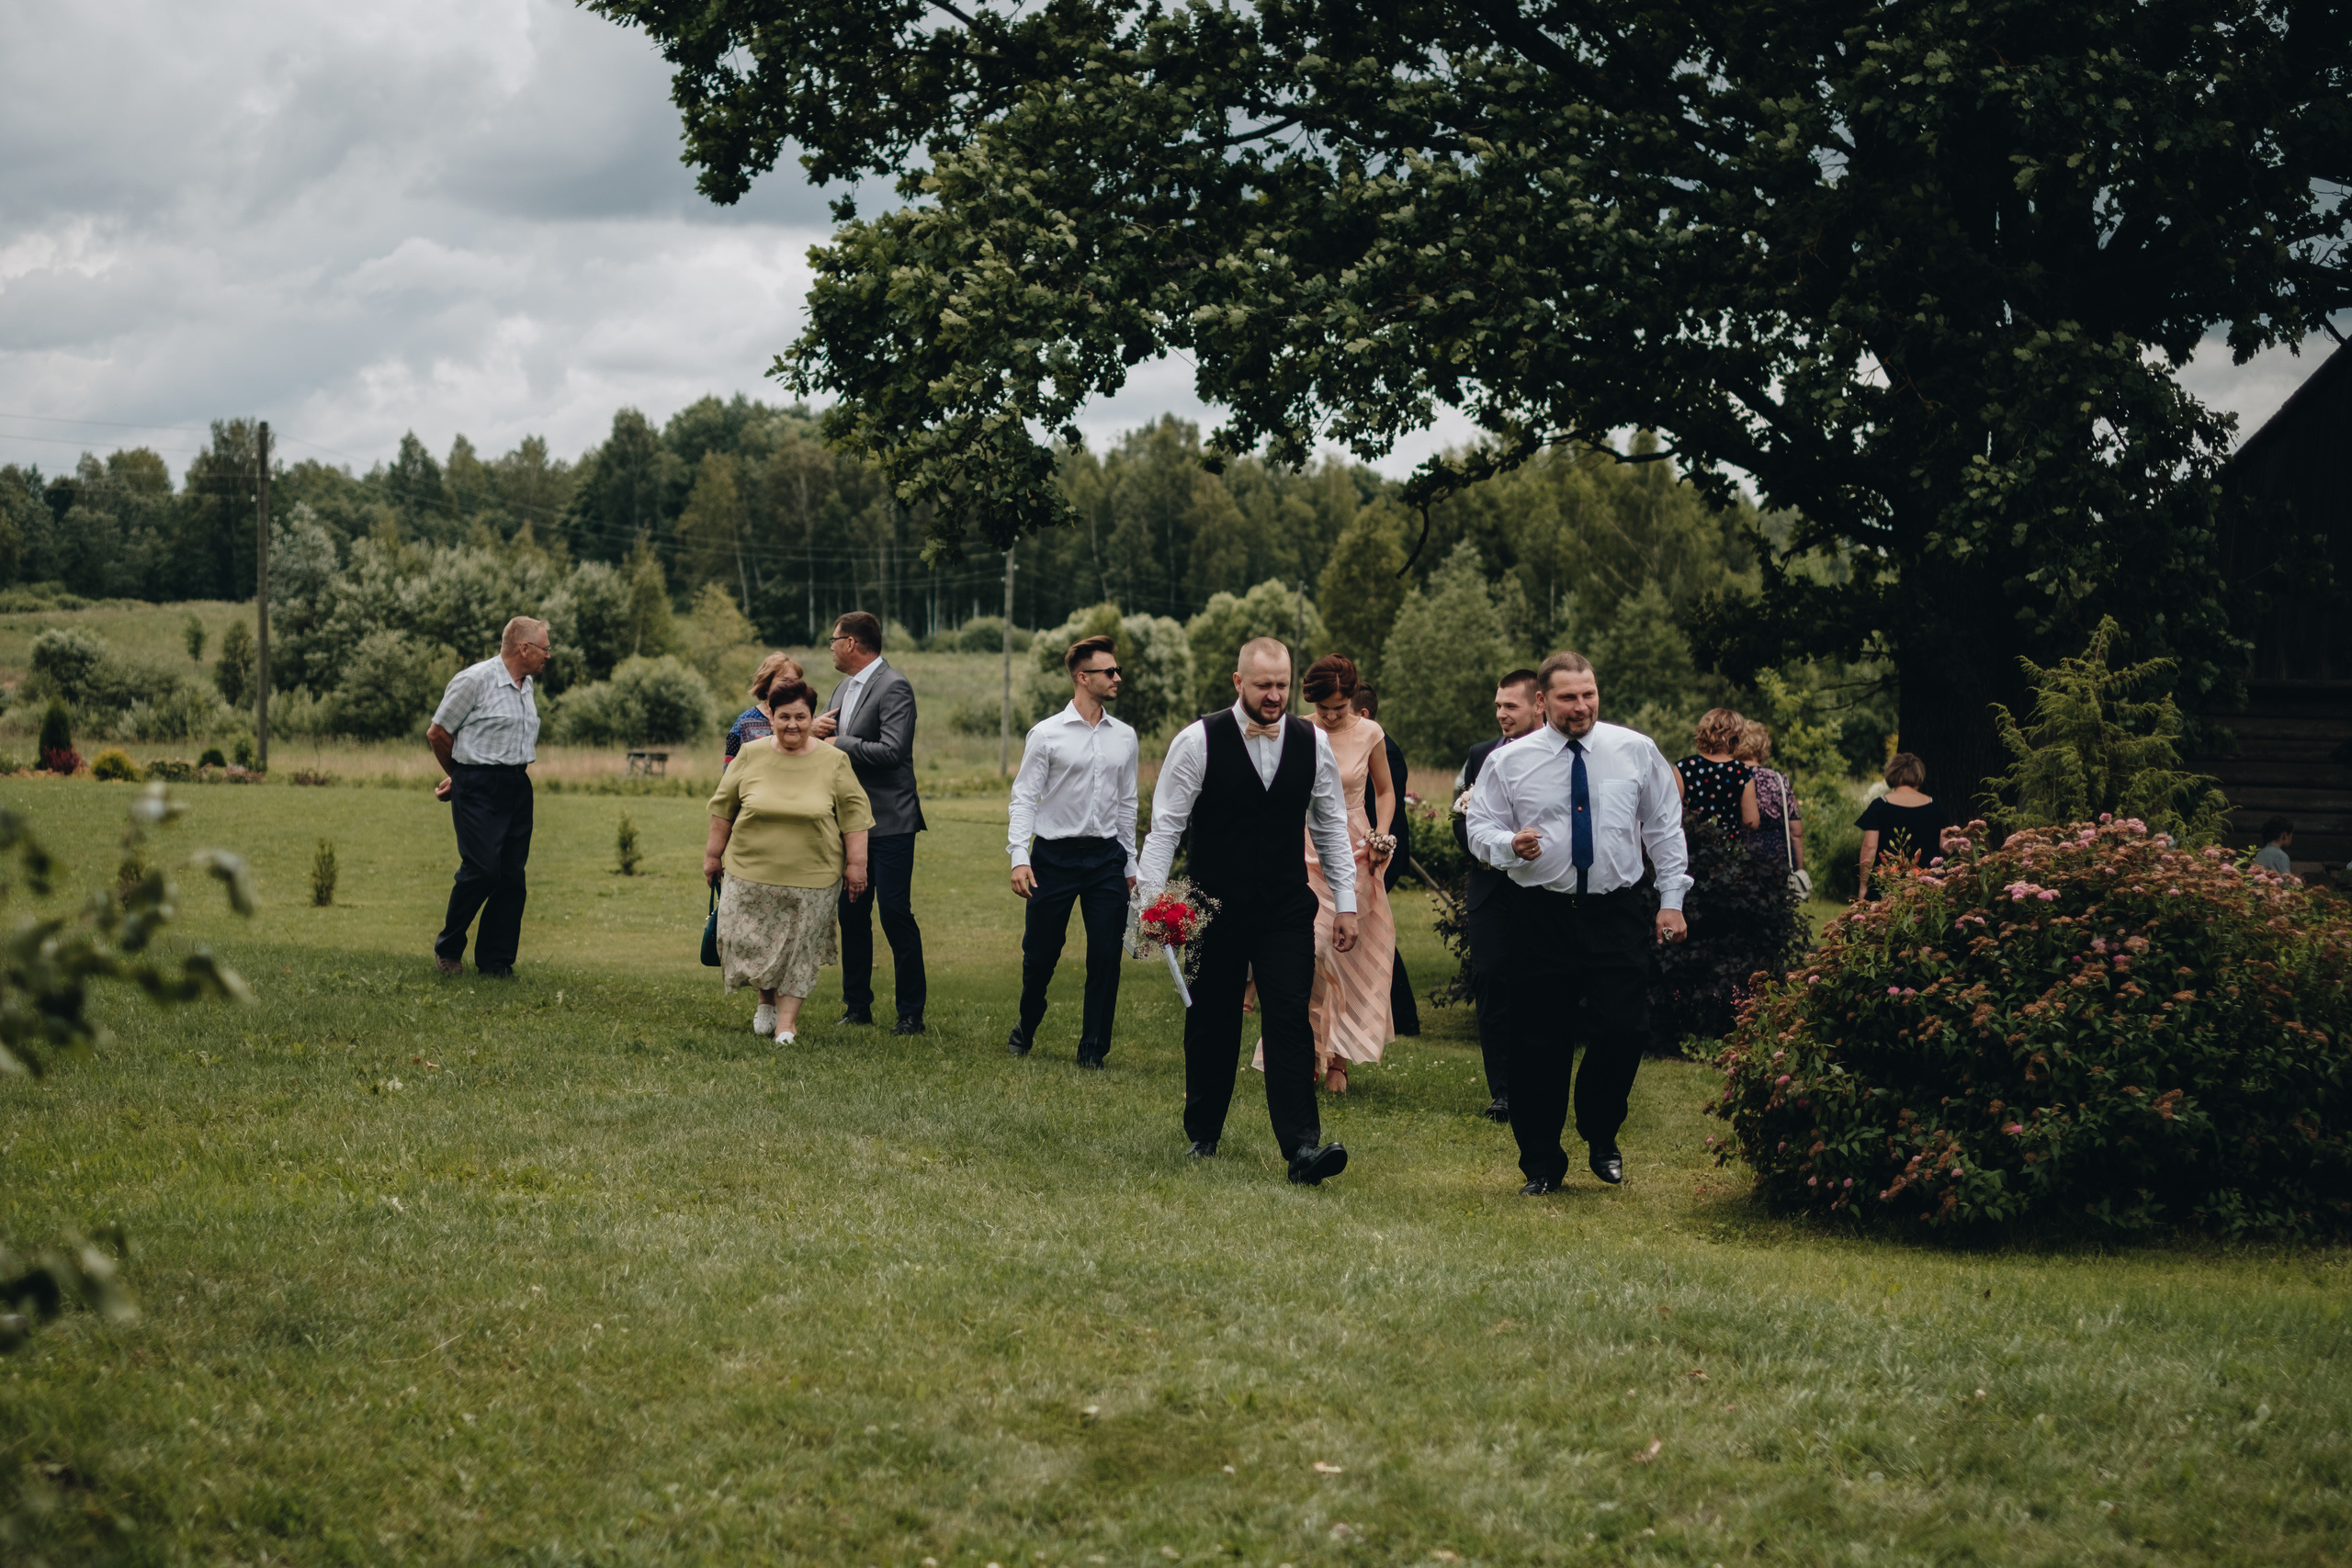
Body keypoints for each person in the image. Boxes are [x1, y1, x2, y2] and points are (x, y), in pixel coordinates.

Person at [1465, 650, 1690, 1192]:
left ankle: (1600, 1129)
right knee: (1538, 1042)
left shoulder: (1634, 751)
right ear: (1542, 701)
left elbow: (1664, 827)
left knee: (1624, 1028)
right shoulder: (1509, 762)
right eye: (1568, 697)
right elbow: (1479, 827)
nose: (1581, 706)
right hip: (1540, 914)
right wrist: (1508, 844)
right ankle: (1541, 1164)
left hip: (1615, 912)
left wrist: (1672, 898)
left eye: (1588, 694)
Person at [1139, 637, 1359, 1184]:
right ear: (1238, 682)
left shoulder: (1313, 742)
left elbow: (1330, 824)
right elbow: (1166, 825)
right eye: (1264, 685)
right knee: (1212, 1020)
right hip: (1213, 907)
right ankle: (1203, 1134)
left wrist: (1347, 903)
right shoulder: (1198, 740)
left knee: (1289, 1017)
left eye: (1282, 684)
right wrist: (1150, 903)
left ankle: (1302, 1149)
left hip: (1285, 906)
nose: (1275, 695)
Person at [1251, 654, 1396, 1093]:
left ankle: (1338, 1058)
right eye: (1325, 708)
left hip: (1352, 848)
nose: (1332, 716)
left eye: (1341, 706)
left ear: (1354, 698)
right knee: (1306, 954)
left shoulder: (1370, 732)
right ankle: (1303, 1051)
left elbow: (1385, 791)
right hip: (1300, 846)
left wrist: (1380, 835)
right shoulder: (1295, 730)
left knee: (1343, 956)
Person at [703, 680, 874, 1042]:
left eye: (801, 716)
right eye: (784, 717)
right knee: (753, 943)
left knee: (800, 949)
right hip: (749, 873)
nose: (792, 724)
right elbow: (723, 808)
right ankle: (766, 1000)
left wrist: (857, 865)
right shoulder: (751, 753)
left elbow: (855, 818)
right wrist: (712, 855)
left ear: (812, 718)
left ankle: (786, 1023)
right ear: (772, 717)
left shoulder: (834, 760)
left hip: (813, 878)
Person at [1006, 634, 1140, 1067]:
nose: (1117, 677)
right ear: (1083, 678)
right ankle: (1027, 1023)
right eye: (1109, 671)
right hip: (1054, 858)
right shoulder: (1046, 735)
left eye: (1116, 670)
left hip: (1106, 859)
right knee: (1040, 956)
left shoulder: (1125, 736)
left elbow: (1127, 803)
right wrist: (1019, 857)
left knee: (1105, 955)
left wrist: (1130, 862)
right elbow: (1024, 797)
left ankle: (1093, 1048)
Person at [811, 612, 928, 1032]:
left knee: (896, 913)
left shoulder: (894, 685)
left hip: (891, 821)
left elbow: (893, 750)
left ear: (852, 643)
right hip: (849, 822)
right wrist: (817, 732)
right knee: (852, 914)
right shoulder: (842, 687)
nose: (830, 647)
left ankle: (911, 1013)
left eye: (833, 639)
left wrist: (837, 742)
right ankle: (857, 1006)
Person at [427, 615, 551, 978]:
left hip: (517, 785)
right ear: (523, 648)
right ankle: (448, 949)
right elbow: (438, 733)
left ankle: (496, 961)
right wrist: (461, 777)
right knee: (482, 869)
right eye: (545, 648)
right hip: (478, 786)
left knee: (512, 876)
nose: (549, 655)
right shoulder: (475, 680)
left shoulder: (526, 685)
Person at [1451, 668, 1544, 1122]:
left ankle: (1537, 1084)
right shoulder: (1480, 754)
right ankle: (1503, 1090)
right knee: (1489, 980)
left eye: (1511, 706)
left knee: (1538, 985)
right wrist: (1484, 840)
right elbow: (1459, 823)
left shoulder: (1561, 754)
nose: (1501, 714)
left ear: (1538, 705)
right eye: (1498, 705)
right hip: (1491, 887)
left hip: (1544, 889)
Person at [1351, 682, 1418, 1038]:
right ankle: (1401, 1015)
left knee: (1373, 928)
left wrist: (1377, 842)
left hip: (1381, 852)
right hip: (1363, 848)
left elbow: (1380, 801)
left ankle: (1404, 1015)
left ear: (1363, 715)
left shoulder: (1384, 749)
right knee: (1366, 928)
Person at [1856, 751, 1948, 892]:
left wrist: (1863, 885)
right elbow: (1944, 846)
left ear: (1892, 773)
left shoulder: (1879, 805)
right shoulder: (1934, 807)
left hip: (1887, 885)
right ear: (1919, 775)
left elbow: (1869, 847)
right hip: (1927, 888)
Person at [1673, 707, 1759, 836]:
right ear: (1735, 737)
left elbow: (1671, 814)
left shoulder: (1683, 767)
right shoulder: (1742, 772)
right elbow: (1751, 821)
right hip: (1728, 847)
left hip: (1690, 845)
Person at [1735, 720, 1804, 874]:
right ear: (1763, 747)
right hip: (1777, 859)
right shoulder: (1779, 779)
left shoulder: (1732, 777)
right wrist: (1800, 870)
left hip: (1740, 856)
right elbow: (1796, 832)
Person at [720, 653, 807, 769]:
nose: (791, 687)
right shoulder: (745, 722)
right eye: (785, 681)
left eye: (795, 682)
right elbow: (729, 769)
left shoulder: (807, 720)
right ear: (767, 686)